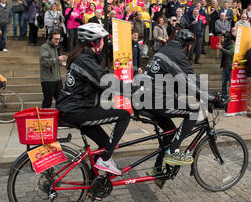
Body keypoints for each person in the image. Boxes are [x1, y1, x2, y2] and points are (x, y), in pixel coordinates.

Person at [142, 29, 225, 172]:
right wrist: (215, 97)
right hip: (154, 99)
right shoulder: (177, 55)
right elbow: (192, 80)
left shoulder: (165, 50)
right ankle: (173, 152)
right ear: (189, 46)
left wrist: (200, 96)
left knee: (169, 131)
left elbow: (181, 83)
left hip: (144, 97)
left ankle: (157, 169)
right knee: (192, 112)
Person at [56, 23, 132, 176]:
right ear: (96, 42)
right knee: (124, 115)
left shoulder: (82, 57)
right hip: (77, 111)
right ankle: (104, 160)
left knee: (105, 145)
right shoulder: (85, 60)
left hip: (75, 108)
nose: (104, 43)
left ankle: (93, 183)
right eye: (102, 40)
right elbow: (106, 81)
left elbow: (98, 84)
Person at [40, 30, 67, 109]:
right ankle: (43, 119)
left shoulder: (56, 47)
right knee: (48, 101)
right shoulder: (44, 47)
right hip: (47, 80)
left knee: (61, 100)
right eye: (55, 39)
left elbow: (54, 61)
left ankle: (60, 119)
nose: (57, 41)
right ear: (50, 38)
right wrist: (58, 58)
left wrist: (62, 63)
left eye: (58, 39)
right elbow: (45, 62)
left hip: (57, 79)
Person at [217, 28, 236, 100]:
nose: (222, 39)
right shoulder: (225, 44)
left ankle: (231, 97)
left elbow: (230, 52)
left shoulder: (232, 44)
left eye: (223, 38)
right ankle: (224, 96)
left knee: (230, 83)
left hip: (230, 67)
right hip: (225, 66)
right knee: (223, 83)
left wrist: (221, 48)